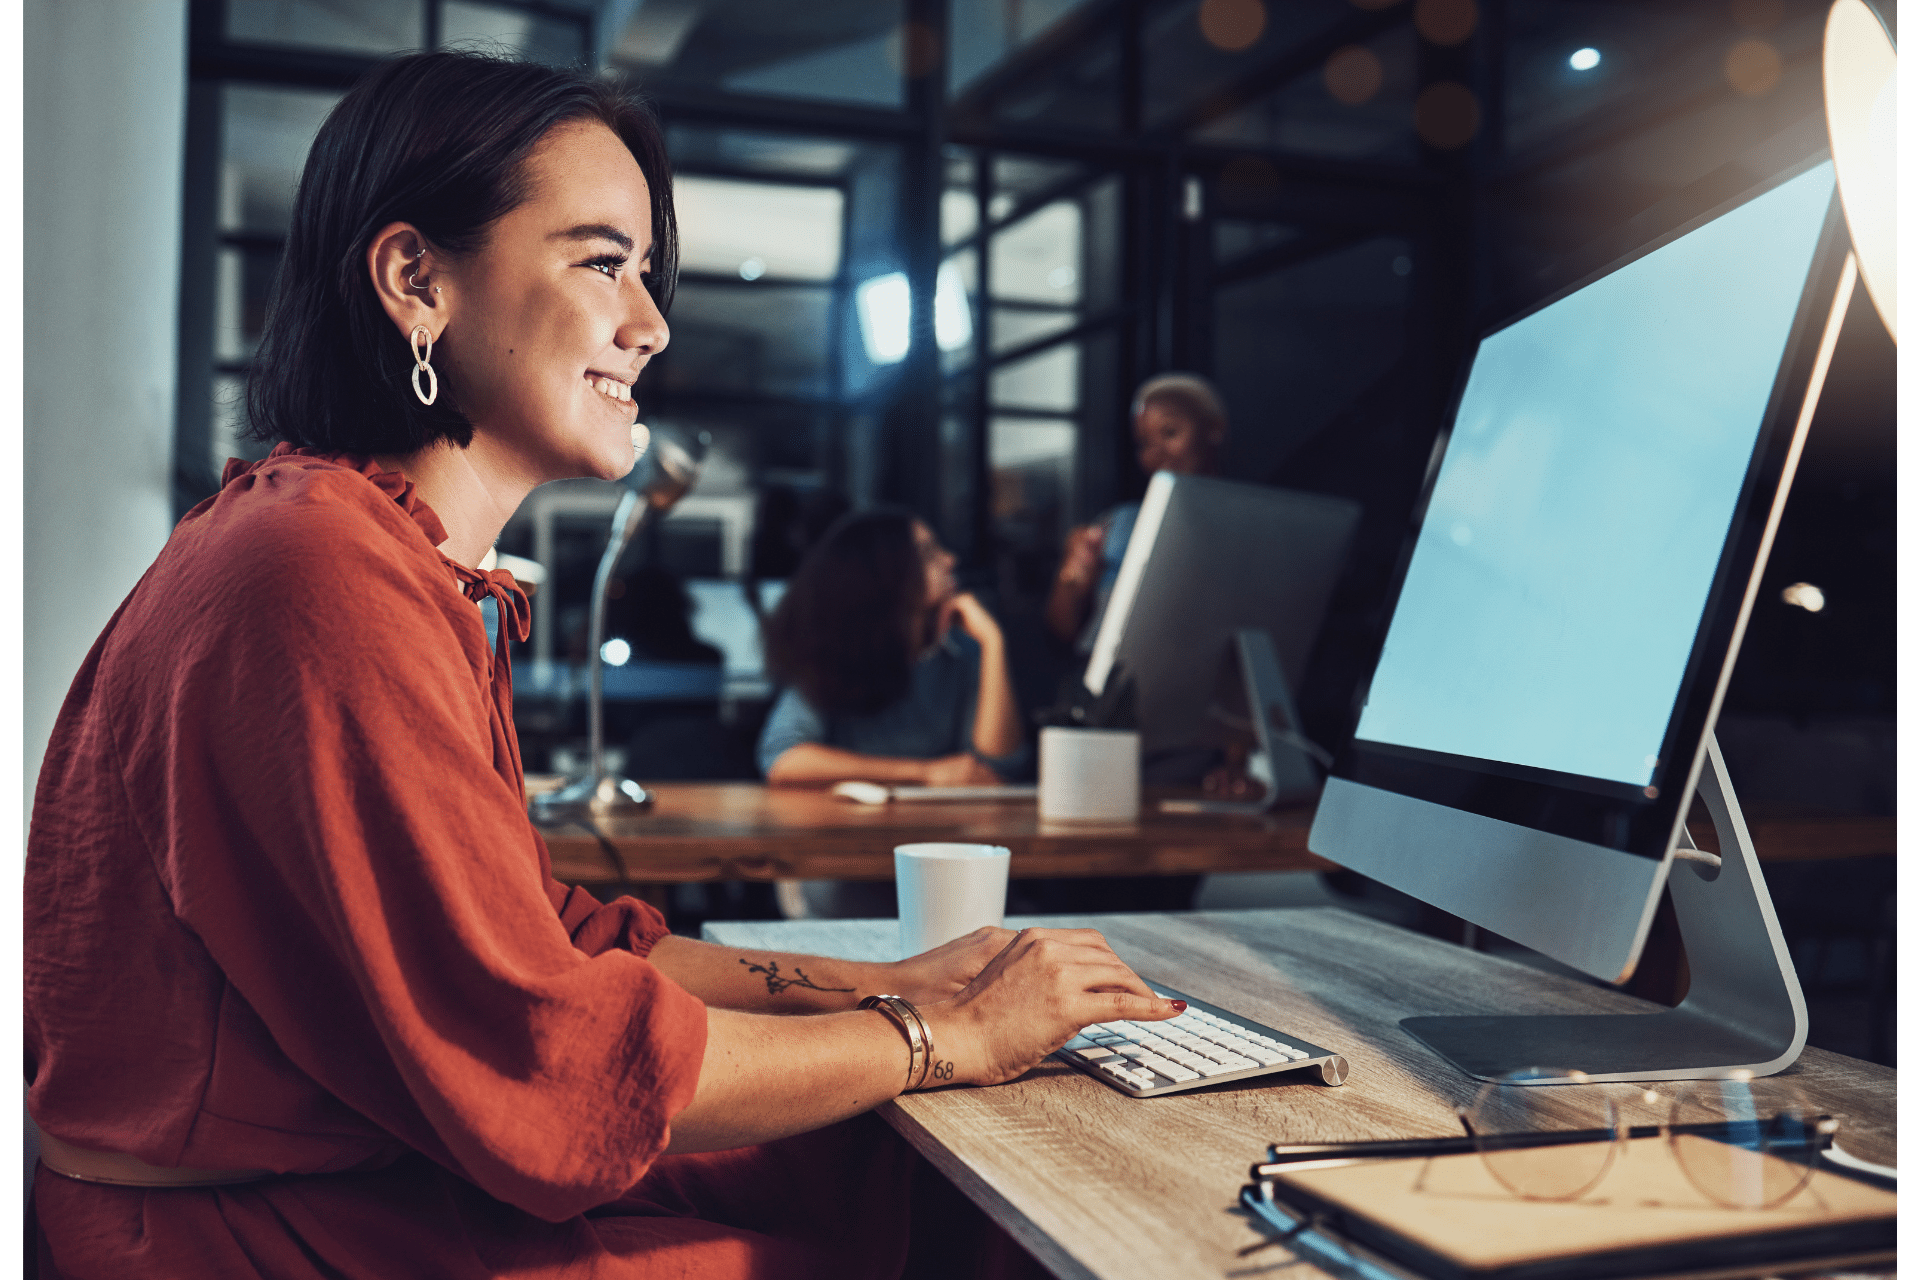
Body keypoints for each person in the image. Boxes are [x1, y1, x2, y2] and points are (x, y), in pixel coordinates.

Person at [23, 52, 1180, 1279]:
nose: (653, 323)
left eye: (646, 270)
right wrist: (937, 1030)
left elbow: (555, 939)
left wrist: (886, 981)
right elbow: (548, 1056)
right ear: (417, 278)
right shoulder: (320, 573)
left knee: (881, 1163)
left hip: (351, 1179)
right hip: (247, 1240)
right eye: (602, 261)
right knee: (926, 1201)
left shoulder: (368, 550)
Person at [757, 509, 1030, 787]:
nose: (950, 560)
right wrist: (924, 773)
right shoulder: (832, 654)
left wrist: (993, 642)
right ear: (883, 574)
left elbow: (999, 768)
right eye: (928, 553)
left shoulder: (961, 652)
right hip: (848, 826)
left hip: (941, 827)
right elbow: (783, 760)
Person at [1043, 373, 1229, 649]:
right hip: (1112, 683)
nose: (1156, 453)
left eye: (1170, 432)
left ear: (1214, 428)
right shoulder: (1121, 524)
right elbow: (1063, 632)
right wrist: (1071, 575)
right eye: (1144, 444)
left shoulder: (1244, 527)